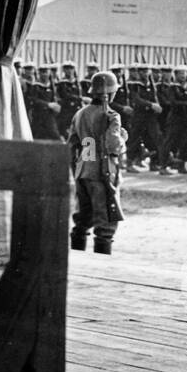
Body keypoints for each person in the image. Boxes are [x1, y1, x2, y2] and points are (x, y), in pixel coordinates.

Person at [68, 71, 127, 255]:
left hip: (82, 170)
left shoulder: (80, 114)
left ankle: (77, 256)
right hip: (103, 172)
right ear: (110, 93)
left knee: (83, 218)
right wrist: (123, 139)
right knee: (106, 222)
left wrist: (76, 170)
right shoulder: (111, 115)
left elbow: (71, 146)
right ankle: (102, 262)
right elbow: (112, 145)